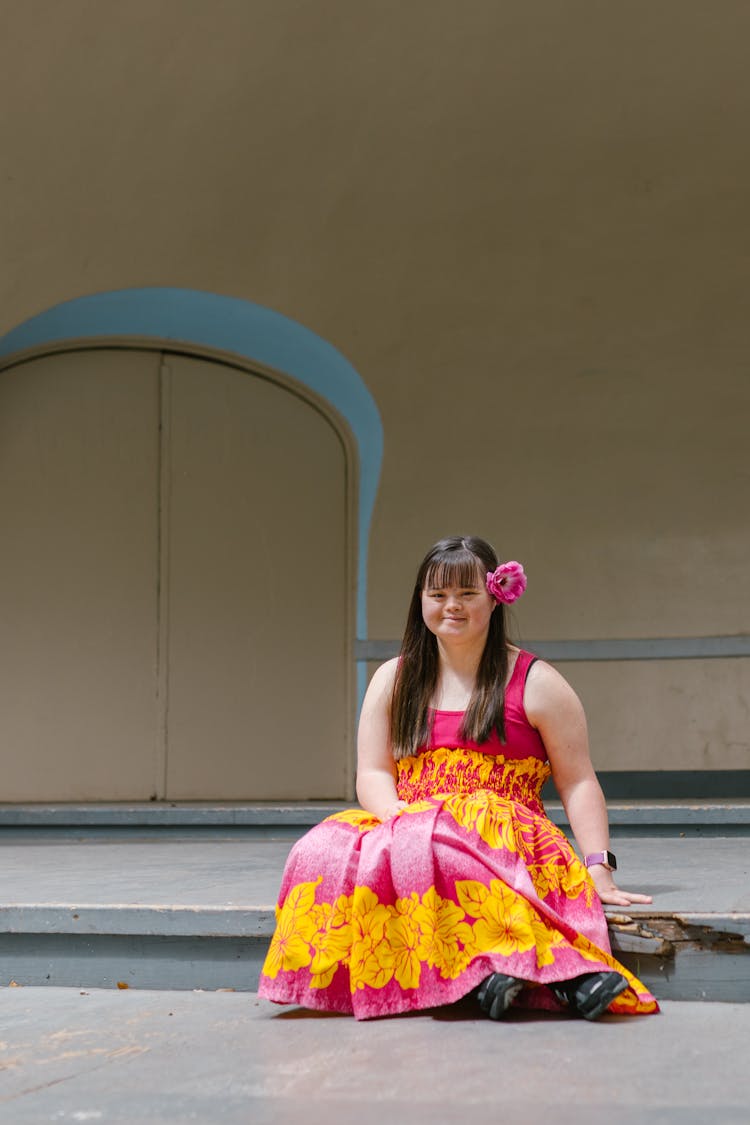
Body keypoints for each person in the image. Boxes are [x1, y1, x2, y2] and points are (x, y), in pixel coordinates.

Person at [258, 536, 659, 1020]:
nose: (452, 606)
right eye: (438, 594)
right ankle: (499, 975)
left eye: (467, 594)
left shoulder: (537, 682)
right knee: (318, 849)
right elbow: (373, 771)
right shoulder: (393, 677)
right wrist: (396, 819)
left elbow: (577, 781)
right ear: (420, 601)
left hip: (502, 829)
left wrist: (598, 866)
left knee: (445, 844)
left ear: (496, 596)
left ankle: (539, 972)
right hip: (408, 820)